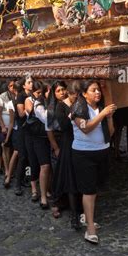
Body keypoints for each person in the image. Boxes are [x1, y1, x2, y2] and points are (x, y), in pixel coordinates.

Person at [70, 80, 116, 244]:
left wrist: (109, 118)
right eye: (93, 90)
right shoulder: (78, 108)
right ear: (84, 93)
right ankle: (90, 228)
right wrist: (103, 114)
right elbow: (86, 127)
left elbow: (110, 132)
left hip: (102, 151)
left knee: (94, 188)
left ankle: (86, 216)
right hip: (84, 153)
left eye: (99, 90)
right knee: (88, 190)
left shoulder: (100, 107)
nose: (98, 93)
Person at [47, 81, 81, 227]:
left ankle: (78, 207)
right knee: (64, 175)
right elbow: (58, 127)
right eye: (58, 90)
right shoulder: (57, 107)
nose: (62, 93)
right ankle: (68, 209)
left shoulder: (78, 104)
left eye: (63, 90)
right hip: (64, 142)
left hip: (79, 143)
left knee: (76, 177)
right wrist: (55, 147)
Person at [25, 81, 52, 209]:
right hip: (36, 136)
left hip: (48, 136)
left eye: (44, 92)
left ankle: (46, 190)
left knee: (48, 165)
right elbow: (42, 116)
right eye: (39, 92)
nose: (41, 94)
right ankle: (39, 193)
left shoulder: (51, 102)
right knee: (40, 164)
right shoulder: (33, 102)